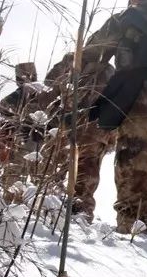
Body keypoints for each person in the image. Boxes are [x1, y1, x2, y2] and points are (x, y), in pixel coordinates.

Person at [61, 0, 147, 234]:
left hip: (137, 108)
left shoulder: (124, 19)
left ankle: (134, 229)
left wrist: (70, 74)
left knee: (135, 170)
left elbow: (90, 57)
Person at [42, 57, 116, 221]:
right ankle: (77, 213)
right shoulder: (108, 69)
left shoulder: (72, 59)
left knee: (57, 170)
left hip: (72, 127)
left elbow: (49, 84)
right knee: (85, 172)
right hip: (93, 129)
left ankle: (54, 210)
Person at [0, 61, 46, 203]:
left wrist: (15, 120)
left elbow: (1, 108)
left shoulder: (22, 92)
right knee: (38, 180)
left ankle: (13, 207)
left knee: (15, 177)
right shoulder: (45, 92)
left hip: (24, 141)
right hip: (41, 143)